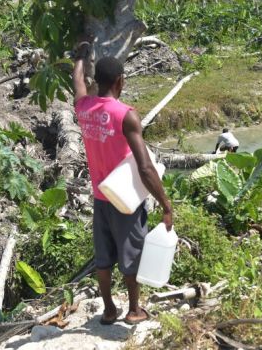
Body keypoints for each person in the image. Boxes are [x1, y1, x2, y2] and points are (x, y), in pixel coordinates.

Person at [72, 43, 173, 326]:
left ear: (97, 82)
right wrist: (166, 204)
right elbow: (144, 167)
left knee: (103, 258)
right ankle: (133, 310)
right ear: (120, 81)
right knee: (131, 254)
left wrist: (79, 57)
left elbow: (78, 83)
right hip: (126, 198)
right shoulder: (125, 114)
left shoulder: (84, 107)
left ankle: (108, 311)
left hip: (101, 197)